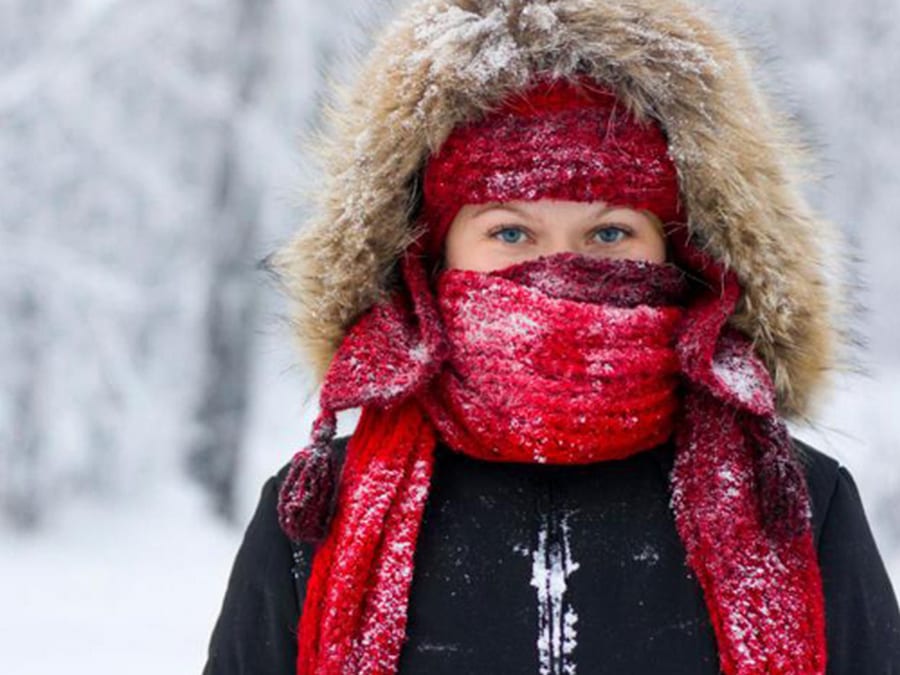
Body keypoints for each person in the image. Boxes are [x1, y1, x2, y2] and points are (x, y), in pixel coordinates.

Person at [202, 1, 900, 673]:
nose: (562, 267)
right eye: (510, 232)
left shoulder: (797, 506)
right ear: (433, 256)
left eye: (609, 232)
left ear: (678, 254)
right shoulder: (318, 515)